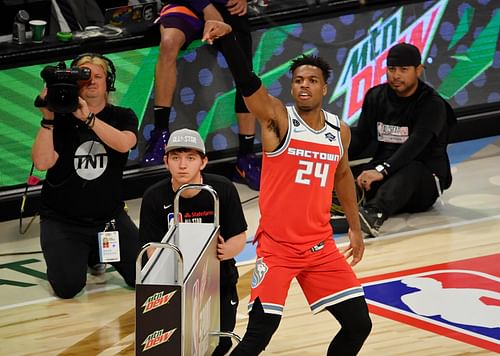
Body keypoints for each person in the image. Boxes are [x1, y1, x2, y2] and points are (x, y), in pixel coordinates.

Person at [205, 26, 372, 355]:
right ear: (292, 86)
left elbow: (342, 177)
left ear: (324, 87)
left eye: (311, 80)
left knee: (359, 325)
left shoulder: (339, 130)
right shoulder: (277, 119)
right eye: (298, 80)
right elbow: (249, 85)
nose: (304, 85)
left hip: (320, 247)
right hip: (278, 249)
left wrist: (354, 227)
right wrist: (229, 40)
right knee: (258, 337)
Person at [32, 53, 140, 299]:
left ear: (108, 82)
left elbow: (124, 144)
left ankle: (94, 251)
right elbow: (42, 162)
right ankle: (86, 251)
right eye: (84, 77)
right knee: (68, 288)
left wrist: (89, 119)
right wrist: (48, 121)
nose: (91, 82)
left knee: (143, 275)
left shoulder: (123, 116)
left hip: (108, 218)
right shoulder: (59, 118)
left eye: (98, 76)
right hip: (63, 219)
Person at [139, 128, 248, 355]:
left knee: (220, 343)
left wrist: (223, 250)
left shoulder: (222, 189)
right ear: (166, 161)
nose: (182, 165)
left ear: (203, 162)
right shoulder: (153, 197)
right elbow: (150, 250)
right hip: (174, 282)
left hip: (220, 278)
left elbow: (239, 237)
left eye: (190, 158)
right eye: (176, 158)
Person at [142, 0, 262, 191]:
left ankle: (246, 157)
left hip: (227, 6)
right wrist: (206, 7)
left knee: (244, 69)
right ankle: (161, 133)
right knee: (168, 42)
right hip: (187, 4)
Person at [349, 43, 457, 237]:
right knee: (343, 174)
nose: (396, 75)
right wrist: (332, 157)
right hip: (386, 170)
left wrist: (382, 170)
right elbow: (361, 138)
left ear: (418, 70)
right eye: (391, 69)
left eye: (403, 70)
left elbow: (415, 144)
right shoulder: (376, 96)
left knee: (411, 170)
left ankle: (374, 214)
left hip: (425, 179)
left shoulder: (432, 104)